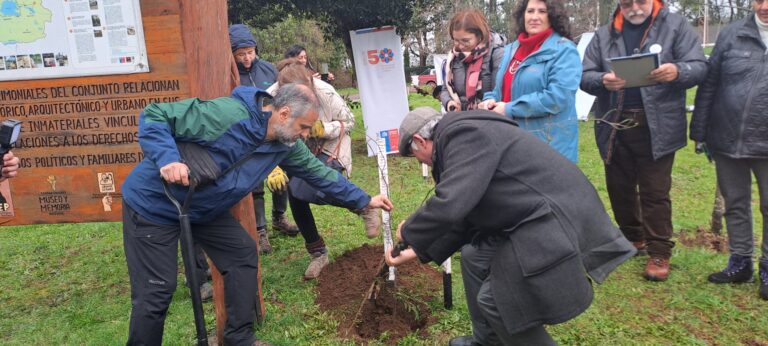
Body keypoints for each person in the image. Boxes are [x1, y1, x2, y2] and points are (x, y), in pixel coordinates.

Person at [120, 83, 393, 346]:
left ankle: (238, 338)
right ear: (284, 113)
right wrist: (167, 158)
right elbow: (155, 114)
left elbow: (319, 174)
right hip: (154, 204)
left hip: (203, 209)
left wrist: (364, 200)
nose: (306, 135)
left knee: (242, 255)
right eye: (304, 127)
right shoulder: (227, 115)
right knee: (156, 293)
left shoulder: (285, 145)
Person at [385, 107, 634, 346]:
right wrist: (419, 248)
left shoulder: (463, 136)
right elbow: (469, 209)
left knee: (496, 301)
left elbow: (453, 201)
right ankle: (488, 341)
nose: (422, 162)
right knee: (473, 257)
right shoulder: (463, 134)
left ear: (420, 140)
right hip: (529, 213)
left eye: (414, 154)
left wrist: (410, 232)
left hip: (551, 217)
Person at [581, 0, 707, 281]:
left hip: (659, 125)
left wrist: (677, 72)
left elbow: (699, 66)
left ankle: (659, 251)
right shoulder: (604, 35)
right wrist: (603, 79)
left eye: (640, 1)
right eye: (627, 3)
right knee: (619, 187)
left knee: (654, 191)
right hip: (614, 124)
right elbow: (584, 75)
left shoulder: (675, 26)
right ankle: (633, 239)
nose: (634, 8)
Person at [690, 0, 768, 300]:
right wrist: (699, 131)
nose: (764, 6)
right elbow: (709, 83)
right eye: (759, 0)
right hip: (726, 135)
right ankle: (740, 263)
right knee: (735, 202)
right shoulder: (732, 34)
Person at [267, 58, 361, 280]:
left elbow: (350, 120)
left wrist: (324, 128)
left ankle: (361, 204)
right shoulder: (269, 97)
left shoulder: (325, 91)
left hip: (328, 147)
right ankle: (318, 252)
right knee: (295, 192)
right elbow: (262, 131)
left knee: (310, 187)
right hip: (291, 147)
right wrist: (271, 167)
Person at [479, 0, 581, 162]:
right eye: (530, 11)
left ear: (552, 16)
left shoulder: (564, 50)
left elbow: (557, 98)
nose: (534, 17)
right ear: (522, 15)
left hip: (549, 146)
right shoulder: (511, 49)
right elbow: (501, 89)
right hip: (511, 141)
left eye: (542, 11)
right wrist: (489, 100)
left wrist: (509, 109)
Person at [229, 24, 299, 253]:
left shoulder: (269, 70)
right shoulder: (229, 73)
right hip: (248, 137)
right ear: (232, 54)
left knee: (282, 178)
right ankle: (260, 230)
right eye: (240, 54)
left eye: (250, 52)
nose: (247, 58)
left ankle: (279, 217)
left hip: (274, 132)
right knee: (255, 183)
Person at [438, 10, 504, 112]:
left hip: (487, 119)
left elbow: (499, 92)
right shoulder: (453, 57)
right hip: (460, 118)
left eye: (465, 41)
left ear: (480, 36)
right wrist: (448, 102)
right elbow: (445, 89)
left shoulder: (496, 54)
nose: (460, 46)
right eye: (456, 40)